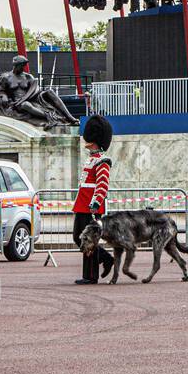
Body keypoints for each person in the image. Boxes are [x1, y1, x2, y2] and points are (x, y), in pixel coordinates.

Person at [73, 114, 116, 284]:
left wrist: (96, 202)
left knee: (87, 239)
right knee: (78, 237)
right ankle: (106, 259)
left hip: (91, 206)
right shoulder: (92, 159)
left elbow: (102, 184)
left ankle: (90, 276)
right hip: (83, 204)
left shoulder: (102, 161)